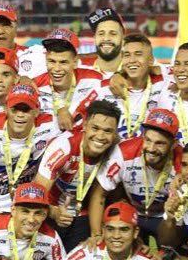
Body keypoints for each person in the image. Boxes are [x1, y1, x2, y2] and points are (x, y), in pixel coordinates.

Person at [34, 99, 124, 250]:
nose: (100, 136)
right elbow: (36, 194)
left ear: (115, 134)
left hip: (84, 213)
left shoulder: (117, 150)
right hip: (51, 209)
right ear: (85, 125)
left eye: (108, 131)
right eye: (95, 128)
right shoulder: (64, 146)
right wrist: (54, 212)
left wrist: (97, 234)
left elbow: (104, 195)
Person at [0, 83, 56, 219]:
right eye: (15, 109)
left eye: (26, 110)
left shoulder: (51, 126)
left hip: (26, 204)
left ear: (37, 111)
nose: (20, 115)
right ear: (6, 109)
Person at [93, 108, 181, 243]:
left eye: (160, 143)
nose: (151, 148)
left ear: (174, 144)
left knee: (168, 250)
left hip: (164, 216)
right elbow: (99, 194)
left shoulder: (183, 161)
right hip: (133, 212)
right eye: (148, 140)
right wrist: (96, 235)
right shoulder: (124, 152)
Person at [35, 28, 102, 131]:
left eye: (63, 62)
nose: (57, 69)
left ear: (75, 62)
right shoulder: (35, 86)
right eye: (52, 61)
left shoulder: (94, 80)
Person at [85, 7, 125, 78]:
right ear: (94, 38)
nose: (106, 38)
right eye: (101, 34)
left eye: (113, 33)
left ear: (123, 38)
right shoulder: (77, 70)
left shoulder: (139, 72)